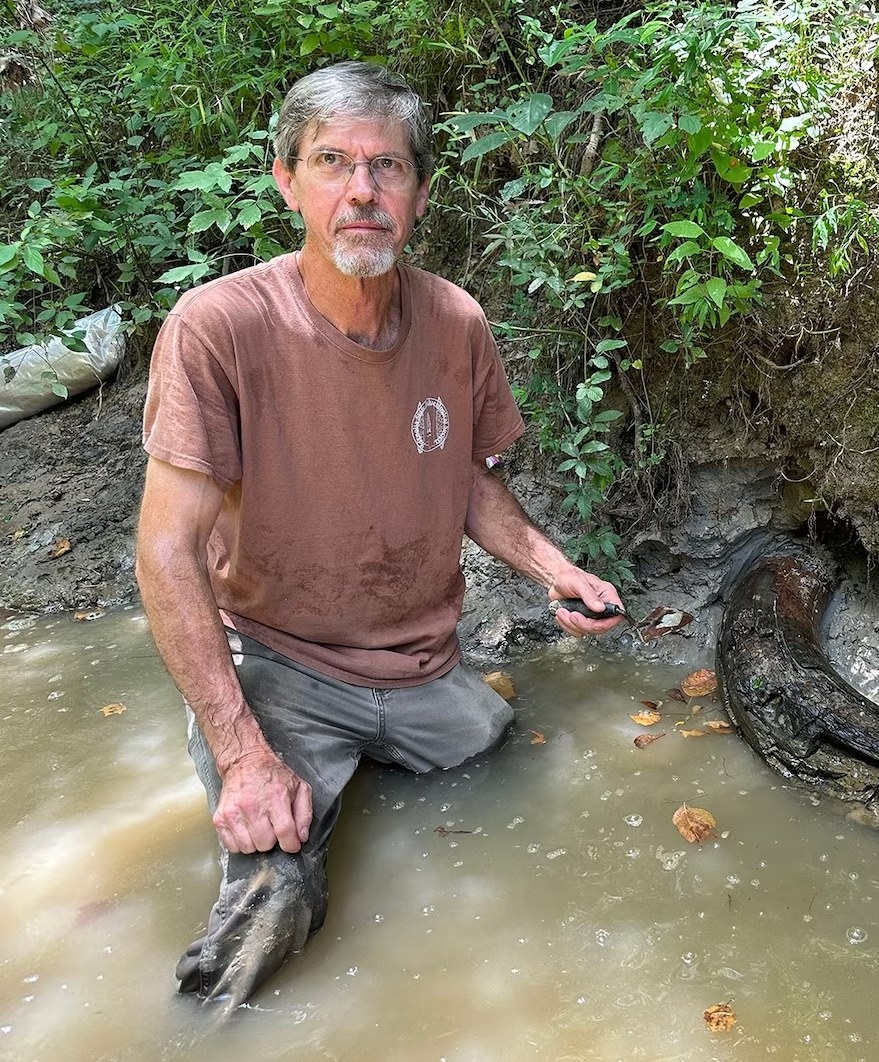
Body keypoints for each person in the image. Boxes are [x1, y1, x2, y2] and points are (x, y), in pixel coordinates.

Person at [134, 60, 623, 1007]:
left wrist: (555, 570)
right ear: (287, 180)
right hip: (281, 661)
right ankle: (203, 1026)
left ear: (421, 194)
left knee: (497, 751)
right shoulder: (218, 327)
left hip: (420, 665)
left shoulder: (454, 320)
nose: (362, 190)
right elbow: (165, 551)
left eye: (388, 167)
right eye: (332, 162)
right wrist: (241, 752)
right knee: (271, 893)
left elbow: (469, 485)